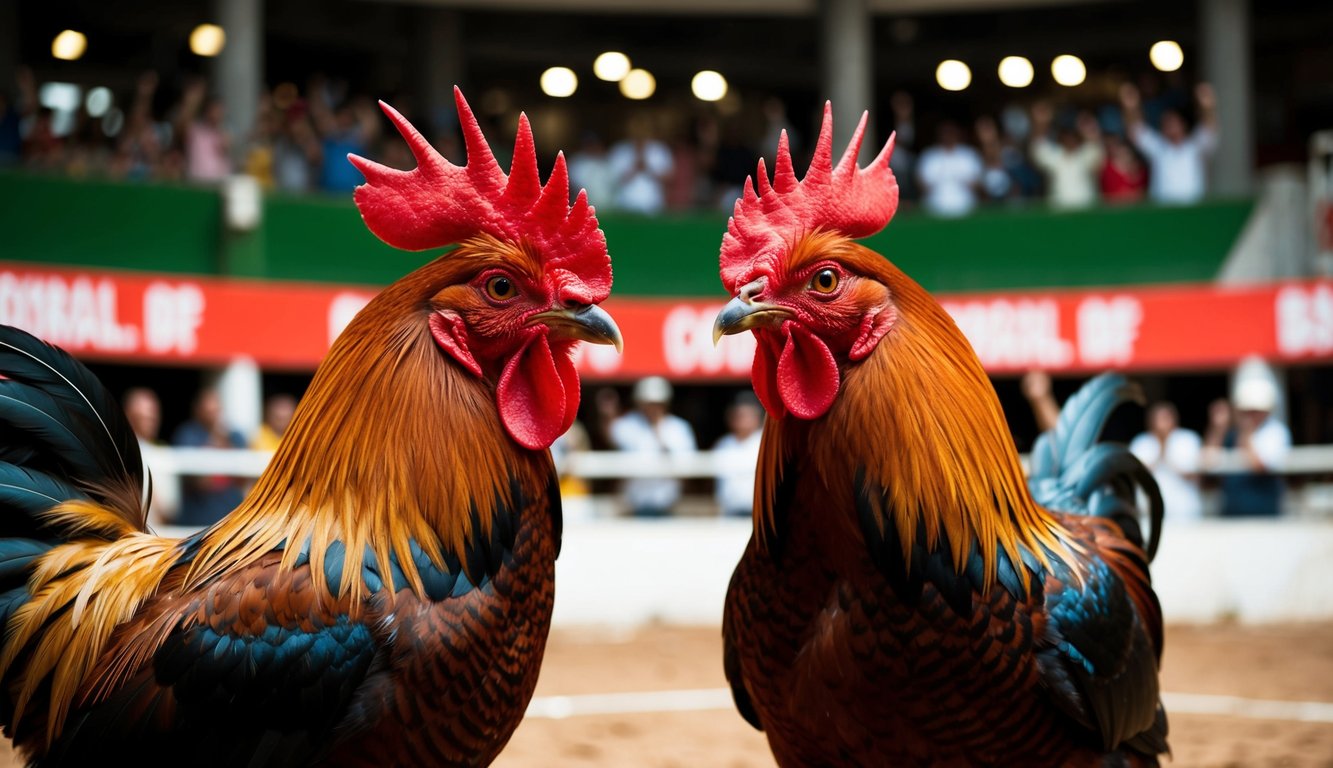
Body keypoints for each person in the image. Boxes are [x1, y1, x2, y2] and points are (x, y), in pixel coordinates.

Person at [608, 376, 697, 517]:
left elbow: (687, 467)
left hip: (668, 505)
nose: (653, 408)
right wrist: (609, 412)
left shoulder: (678, 428)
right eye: (648, 403)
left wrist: (660, 435)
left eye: (657, 403)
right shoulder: (629, 424)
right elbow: (611, 435)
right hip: (634, 505)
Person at [1203, 376, 1292, 517]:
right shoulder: (1232, 434)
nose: (1249, 416)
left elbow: (1260, 466)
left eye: (1254, 410)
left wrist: (1246, 436)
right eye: (1245, 411)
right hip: (1231, 511)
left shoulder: (1275, 432)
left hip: (1264, 511)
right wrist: (1218, 428)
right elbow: (1208, 462)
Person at [1120, 81, 1217, 204]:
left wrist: (1208, 106)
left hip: (1193, 211)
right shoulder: (1158, 147)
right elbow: (1136, 130)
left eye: (1172, 123)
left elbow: (1209, 129)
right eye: (1166, 124)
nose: (1169, 127)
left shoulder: (1194, 146)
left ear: (1183, 125)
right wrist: (1131, 107)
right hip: (1163, 212)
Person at [171, 387, 247, 527]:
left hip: (231, 517)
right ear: (198, 411)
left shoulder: (235, 436)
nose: (212, 415)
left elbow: (242, 479)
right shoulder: (187, 435)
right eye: (208, 411)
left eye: (215, 410)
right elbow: (197, 481)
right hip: (197, 518)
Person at [1129, 402, 1204, 521]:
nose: (1162, 424)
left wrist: (1166, 452)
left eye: (1166, 418)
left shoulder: (1188, 439)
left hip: (1184, 509)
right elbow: (1138, 474)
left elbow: (1194, 473)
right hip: (1150, 510)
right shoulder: (1141, 442)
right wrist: (1160, 451)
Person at [1029, 103, 1104, 210]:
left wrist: (1087, 125)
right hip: (1059, 214)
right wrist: (1040, 123)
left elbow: (1096, 150)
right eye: (1066, 135)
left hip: (1086, 212)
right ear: (1061, 136)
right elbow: (1037, 148)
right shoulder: (1054, 156)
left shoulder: (1087, 153)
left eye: (1073, 135)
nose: (1070, 139)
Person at [122, 386, 178, 526]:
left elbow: (170, 510)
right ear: (129, 415)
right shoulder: (118, 449)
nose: (151, 422)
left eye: (153, 417)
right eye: (144, 417)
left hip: (155, 536)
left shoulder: (163, 454)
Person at [916, 120, 983, 218]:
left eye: (951, 133)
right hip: (934, 210)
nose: (948, 136)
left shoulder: (969, 155)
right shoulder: (929, 156)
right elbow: (920, 183)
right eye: (945, 133)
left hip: (966, 209)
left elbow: (979, 183)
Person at [712, 392, 764, 518]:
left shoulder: (764, 443)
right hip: (730, 512)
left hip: (758, 514)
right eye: (738, 415)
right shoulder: (724, 444)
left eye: (747, 415)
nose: (742, 420)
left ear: (757, 417)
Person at [607, 117, 674, 215]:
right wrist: (635, 168)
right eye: (636, 130)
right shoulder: (619, 151)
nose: (639, 133)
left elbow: (669, 177)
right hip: (624, 206)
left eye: (643, 130)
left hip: (652, 206)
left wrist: (648, 169)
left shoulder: (659, 149)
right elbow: (611, 180)